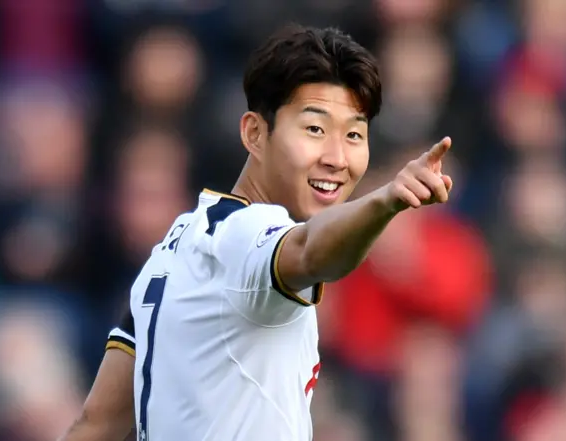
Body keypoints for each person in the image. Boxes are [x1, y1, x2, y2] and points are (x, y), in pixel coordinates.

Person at [57, 24, 453, 441]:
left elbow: (96, 424)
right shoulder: (248, 233)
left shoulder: (176, 245)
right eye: (314, 129)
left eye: (354, 134)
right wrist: (386, 200)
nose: (338, 158)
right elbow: (309, 252)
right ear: (254, 133)